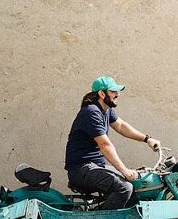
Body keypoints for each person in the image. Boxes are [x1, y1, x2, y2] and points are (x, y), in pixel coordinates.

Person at [64, 76, 160, 210]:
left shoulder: (106, 110)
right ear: (102, 94)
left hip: (95, 166)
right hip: (81, 169)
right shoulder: (91, 112)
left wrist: (147, 139)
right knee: (124, 188)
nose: (117, 95)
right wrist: (124, 170)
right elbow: (105, 145)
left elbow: (121, 126)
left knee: (136, 181)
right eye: (113, 91)